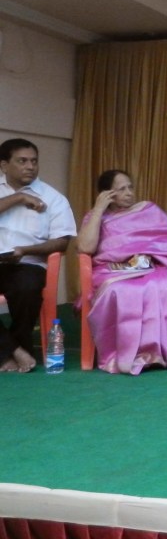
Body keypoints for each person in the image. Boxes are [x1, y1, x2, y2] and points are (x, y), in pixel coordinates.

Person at [76, 170, 167, 374]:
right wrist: (99, 209)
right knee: (121, 290)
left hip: (152, 265)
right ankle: (130, 355)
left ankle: (163, 353)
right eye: (121, 189)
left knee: (165, 284)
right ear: (106, 194)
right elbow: (85, 247)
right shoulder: (96, 217)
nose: (129, 193)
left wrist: (149, 255)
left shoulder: (148, 210)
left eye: (130, 187)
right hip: (112, 271)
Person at [0, 139, 75, 373]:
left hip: (27, 263)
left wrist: (25, 251)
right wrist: (19, 198)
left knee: (27, 288)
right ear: (4, 165)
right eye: (22, 161)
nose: (30, 166)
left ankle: (12, 350)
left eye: (34, 161)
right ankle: (15, 350)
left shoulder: (53, 198)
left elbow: (62, 242)